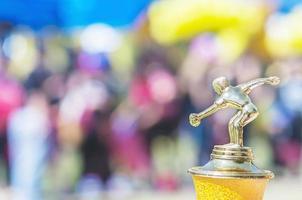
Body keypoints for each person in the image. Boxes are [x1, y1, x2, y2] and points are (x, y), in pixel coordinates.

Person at [189, 76, 280, 146]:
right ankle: (235, 144)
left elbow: (213, 108)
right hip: (251, 109)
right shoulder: (238, 88)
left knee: (236, 124)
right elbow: (253, 83)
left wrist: (199, 116)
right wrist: (268, 80)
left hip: (247, 110)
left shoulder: (224, 96)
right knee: (232, 122)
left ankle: (237, 145)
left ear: (219, 88)